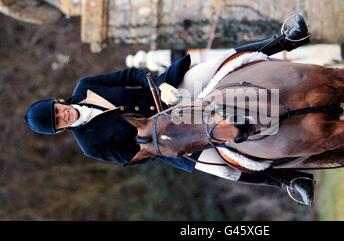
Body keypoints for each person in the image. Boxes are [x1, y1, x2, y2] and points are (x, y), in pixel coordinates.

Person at [24, 14, 314, 205]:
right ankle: (288, 180)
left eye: (57, 110)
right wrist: (158, 141)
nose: (64, 114)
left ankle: (286, 40)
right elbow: (132, 157)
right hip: (171, 136)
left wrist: (158, 84)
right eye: (59, 121)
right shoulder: (90, 145)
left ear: (57, 100)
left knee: (217, 63)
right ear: (61, 129)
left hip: (169, 94)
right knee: (225, 172)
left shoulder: (86, 85)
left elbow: (129, 75)